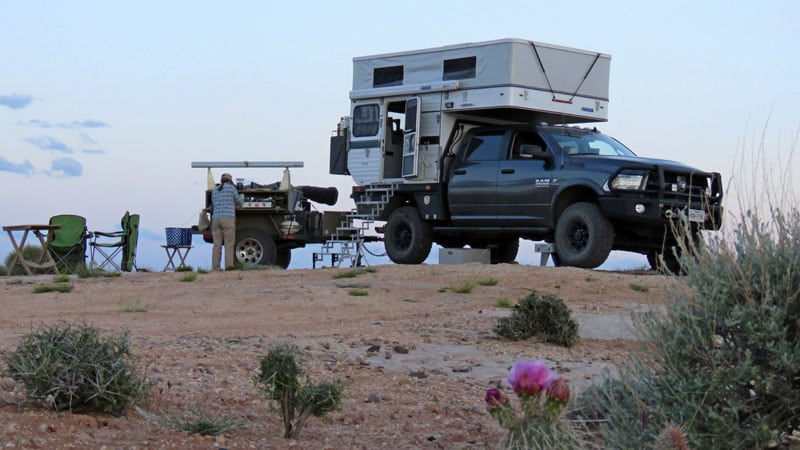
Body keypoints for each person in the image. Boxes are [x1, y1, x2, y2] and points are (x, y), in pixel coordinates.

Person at [210, 173, 242, 270]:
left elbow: (213, 203)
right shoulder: (231, 189)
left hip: (216, 219)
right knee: (229, 244)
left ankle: (215, 268)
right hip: (228, 218)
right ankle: (228, 267)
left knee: (217, 245)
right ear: (230, 181)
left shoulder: (214, 190)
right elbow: (239, 201)